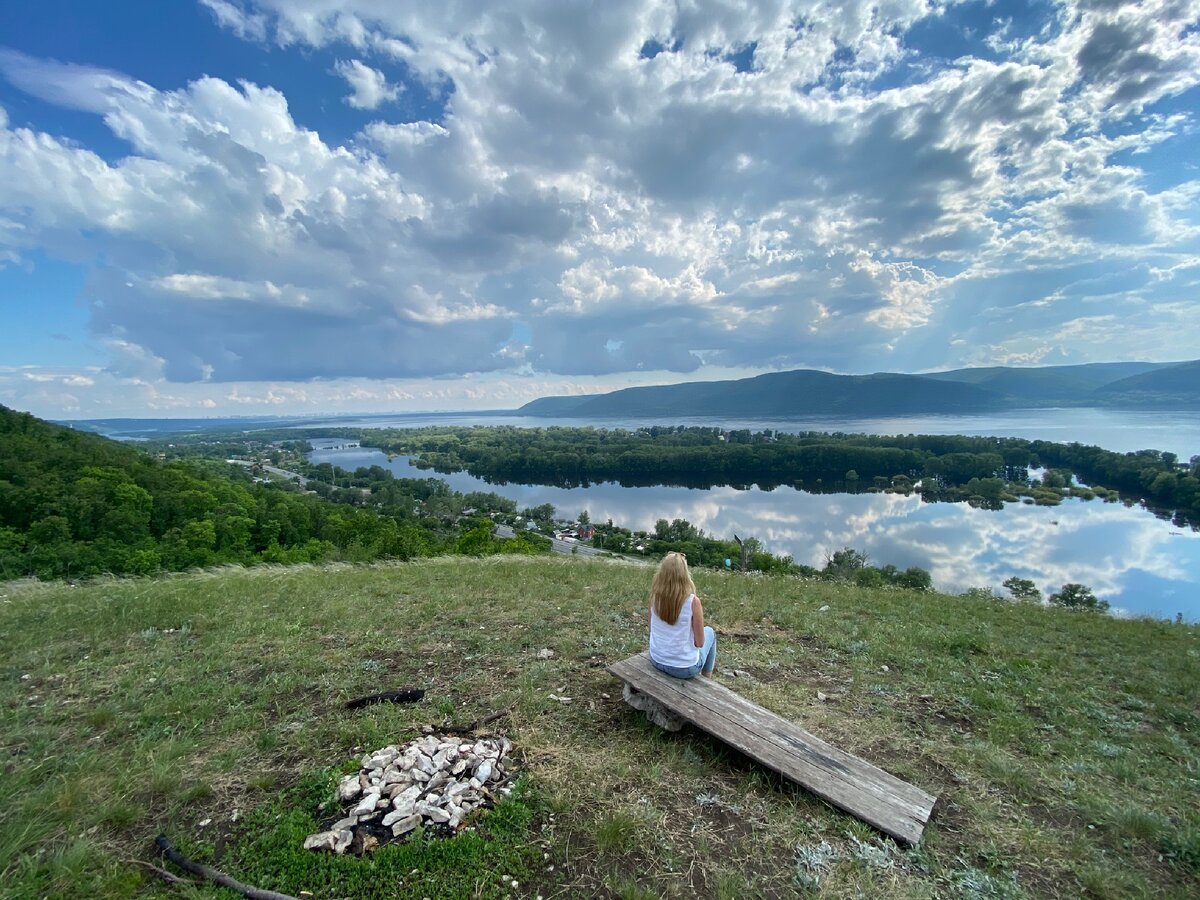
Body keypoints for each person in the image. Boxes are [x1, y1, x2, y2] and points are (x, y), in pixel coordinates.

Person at [648, 551, 716, 679]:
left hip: (656, 659)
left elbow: (652, 629)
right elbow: (700, 643)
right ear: (685, 574)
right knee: (710, 632)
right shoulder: (693, 602)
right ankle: (707, 679)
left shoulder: (654, 597)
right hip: (684, 668)